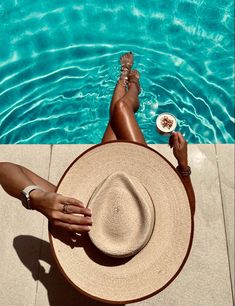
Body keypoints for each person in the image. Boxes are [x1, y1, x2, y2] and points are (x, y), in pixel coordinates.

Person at [0, 52, 195, 236]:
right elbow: (188, 213)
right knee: (120, 110)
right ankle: (132, 84)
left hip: (107, 184)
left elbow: (4, 170)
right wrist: (183, 165)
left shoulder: (78, 216)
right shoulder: (78, 221)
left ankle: (127, 80)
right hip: (140, 188)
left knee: (118, 113)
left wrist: (35, 198)